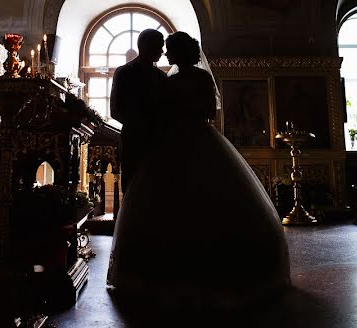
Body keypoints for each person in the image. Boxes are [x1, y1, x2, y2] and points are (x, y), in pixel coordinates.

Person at [107, 31, 291, 311]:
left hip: (178, 139)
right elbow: (124, 109)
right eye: (159, 48)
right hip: (147, 140)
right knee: (149, 199)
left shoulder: (170, 79)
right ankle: (146, 259)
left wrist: (177, 115)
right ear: (144, 46)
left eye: (167, 49)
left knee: (195, 197)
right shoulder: (143, 75)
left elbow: (205, 109)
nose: (164, 54)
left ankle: (192, 262)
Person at [109, 28, 166, 193]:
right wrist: (140, 125)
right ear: (145, 46)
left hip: (156, 142)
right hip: (133, 140)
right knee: (132, 187)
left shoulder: (161, 77)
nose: (162, 51)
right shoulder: (124, 72)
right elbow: (115, 109)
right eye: (158, 46)